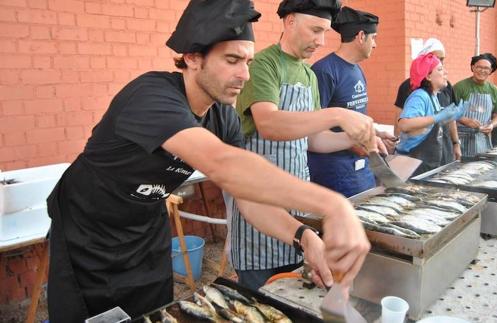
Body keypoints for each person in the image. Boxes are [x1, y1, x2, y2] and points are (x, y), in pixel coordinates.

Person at [46, 1, 370, 321]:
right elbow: (223, 164)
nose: (244, 74)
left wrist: (304, 235)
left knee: (155, 314)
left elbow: (248, 195)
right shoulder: (151, 96)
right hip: (88, 232)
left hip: (145, 230)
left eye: (248, 61)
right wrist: (333, 206)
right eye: (232, 60)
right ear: (192, 57)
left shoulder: (222, 118)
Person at [232, 0, 381, 291]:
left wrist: (355, 138)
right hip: (259, 204)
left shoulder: (309, 75)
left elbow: (314, 140)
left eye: (325, 32)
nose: (321, 41)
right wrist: (338, 114)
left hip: (297, 207)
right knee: (261, 297)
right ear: (289, 22)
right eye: (315, 30)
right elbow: (269, 124)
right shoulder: (264, 64)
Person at [308, 6, 395, 197]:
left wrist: (374, 132)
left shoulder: (357, 70)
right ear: (361, 36)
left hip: (361, 172)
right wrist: (355, 142)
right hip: (333, 176)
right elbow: (313, 129)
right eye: (374, 38)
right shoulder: (324, 71)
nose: (375, 45)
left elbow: (355, 114)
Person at [395, 53, 468, 175]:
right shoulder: (420, 96)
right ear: (428, 76)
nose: (446, 72)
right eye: (440, 69)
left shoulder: (433, 96)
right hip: (412, 167)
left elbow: (428, 126)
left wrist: (448, 118)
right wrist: (438, 117)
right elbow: (404, 124)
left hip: (427, 165)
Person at [454, 53, 497, 157]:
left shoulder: (494, 90)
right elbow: (449, 111)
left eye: (486, 68)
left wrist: (491, 125)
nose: (482, 71)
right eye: (479, 67)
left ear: (491, 71)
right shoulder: (460, 87)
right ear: (473, 67)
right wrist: (465, 120)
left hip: (483, 138)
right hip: (461, 138)